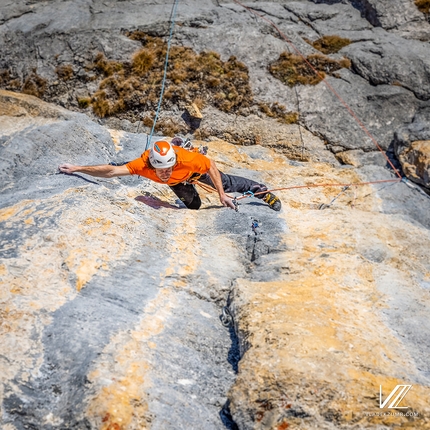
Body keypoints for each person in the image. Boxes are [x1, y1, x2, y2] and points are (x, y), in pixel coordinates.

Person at [58, 140, 281, 211]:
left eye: (168, 168)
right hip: (179, 182)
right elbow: (111, 171)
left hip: (191, 173)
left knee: (227, 182)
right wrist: (78, 168)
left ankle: (263, 192)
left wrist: (222, 194)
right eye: (160, 171)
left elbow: (211, 166)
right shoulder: (142, 165)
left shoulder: (186, 160)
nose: (164, 174)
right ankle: (175, 145)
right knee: (194, 206)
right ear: (152, 166)